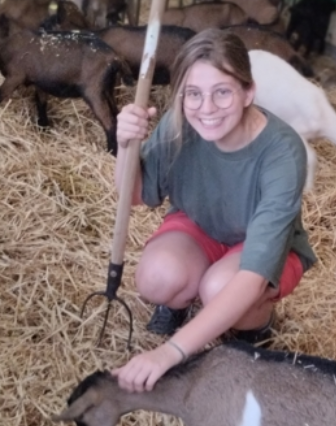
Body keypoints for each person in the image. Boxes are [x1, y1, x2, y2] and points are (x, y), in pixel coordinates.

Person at [111, 28, 317, 392]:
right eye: (193, 94)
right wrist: (125, 144)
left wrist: (170, 352)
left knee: (223, 287)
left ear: (248, 91)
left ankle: (256, 322)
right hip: (201, 223)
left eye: (222, 92)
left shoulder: (282, 152)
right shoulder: (179, 124)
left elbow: (253, 272)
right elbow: (134, 195)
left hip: (258, 245)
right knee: (157, 279)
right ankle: (187, 298)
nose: (206, 109)